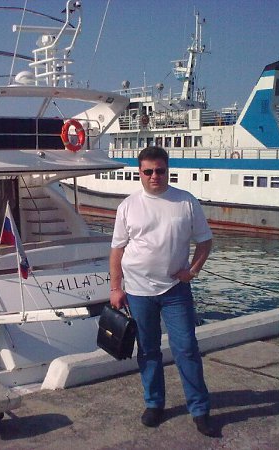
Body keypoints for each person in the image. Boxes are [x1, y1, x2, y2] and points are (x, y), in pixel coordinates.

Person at [109, 146, 216, 437]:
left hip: (175, 291)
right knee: (148, 350)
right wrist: (116, 287)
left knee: (186, 348)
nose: (154, 176)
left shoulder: (186, 201)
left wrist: (192, 271)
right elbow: (117, 249)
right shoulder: (128, 206)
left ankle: (200, 410)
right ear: (139, 173)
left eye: (160, 170)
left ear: (168, 170)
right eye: (148, 171)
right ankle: (154, 404)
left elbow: (205, 241)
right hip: (138, 292)